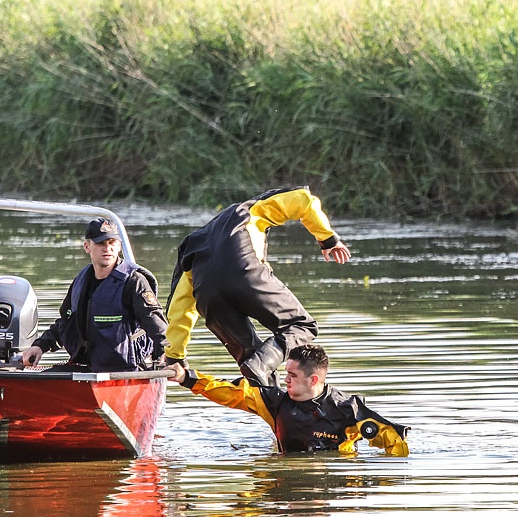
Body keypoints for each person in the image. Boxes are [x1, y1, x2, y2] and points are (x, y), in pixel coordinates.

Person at [164, 186, 352, 386]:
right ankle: (261, 365)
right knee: (301, 326)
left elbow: (179, 306)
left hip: (208, 298)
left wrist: (175, 357)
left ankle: (273, 404)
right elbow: (303, 199)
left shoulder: (191, 245)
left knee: (252, 363)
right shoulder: (247, 210)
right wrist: (327, 238)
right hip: (245, 273)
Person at [168, 343, 409, 456]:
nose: (285, 380)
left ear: (313, 380)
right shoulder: (274, 402)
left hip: (336, 472)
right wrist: (188, 378)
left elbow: (392, 438)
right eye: (286, 373)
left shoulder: (346, 409)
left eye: (292, 375)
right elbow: (230, 392)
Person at [20, 218, 169, 372]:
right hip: (88, 369)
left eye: (112, 243)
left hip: (127, 371)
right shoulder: (81, 280)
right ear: (87, 246)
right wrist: (40, 346)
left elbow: (154, 320)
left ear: (119, 246)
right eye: (101, 243)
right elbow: (66, 323)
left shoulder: (134, 281)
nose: (107, 248)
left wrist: (168, 354)